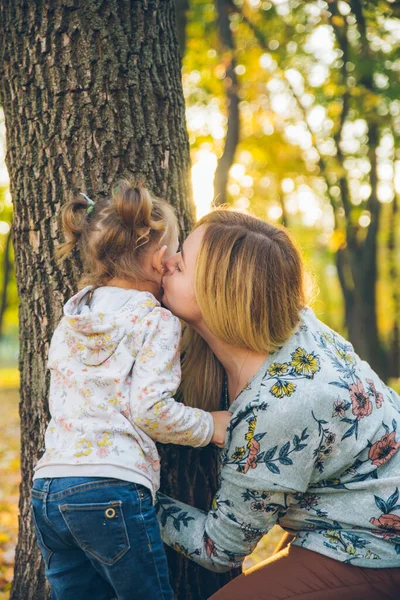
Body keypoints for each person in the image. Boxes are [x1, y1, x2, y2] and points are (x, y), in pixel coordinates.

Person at [157, 208, 400, 599]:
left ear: (220, 295)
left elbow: (218, 548)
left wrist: (126, 498)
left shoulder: (277, 406)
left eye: (181, 264)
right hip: (345, 515)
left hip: (380, 542)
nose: (165, 261)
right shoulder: (288, 323)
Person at [30, 180, 231, 600]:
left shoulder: (74, 317)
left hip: (47, 490)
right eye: (175, 251)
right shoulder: (155, 320)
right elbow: (151, 410)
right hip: (111, 488)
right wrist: (209, 425)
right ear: (160, 260)